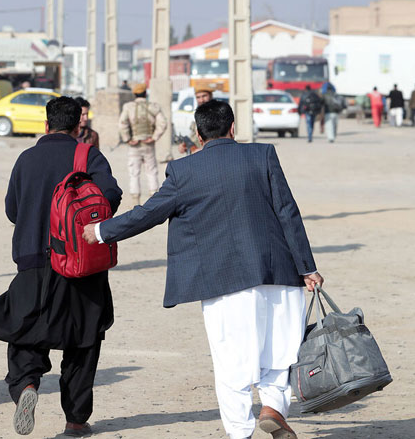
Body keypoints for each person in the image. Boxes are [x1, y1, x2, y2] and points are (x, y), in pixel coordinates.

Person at [82, 100, 323, 439]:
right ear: (233, 128)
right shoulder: (264, 154)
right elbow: (288, 212)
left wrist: (102, 231)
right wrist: (307, 267)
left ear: (197, 134)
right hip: (279, 273)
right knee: (279, 353)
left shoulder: (184, 171)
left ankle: (240, 432)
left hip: (224, 281)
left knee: (231, 361)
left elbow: (148, 214)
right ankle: (272, 408)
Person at [0, 96, 122, 437]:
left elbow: (13, 210)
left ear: (46, 125)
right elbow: (110, 197)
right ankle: (75, 419)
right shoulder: (88, 156)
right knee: (83, 340)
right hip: (80, 263)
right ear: (78, 127)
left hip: (32, 262)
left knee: (25, 332)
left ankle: (26, 385)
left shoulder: (26, 159)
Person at [118, 83, 168, 205]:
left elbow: (122, 123)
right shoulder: (153, 106)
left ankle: (136, 202)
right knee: (151, 171)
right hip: (148, 144)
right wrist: (154, 137)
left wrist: (127, 139)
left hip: (134, 144)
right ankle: (154, 201)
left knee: (134, 173)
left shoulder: (128, 107)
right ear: (146, 93)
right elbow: (163, 123)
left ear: (134, 94)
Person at [179, 87, 214, 154]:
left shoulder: (217, 114)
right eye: (198, 97)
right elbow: (194, 135)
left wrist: (202, 149)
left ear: (211, 96)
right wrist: (184, 145)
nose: (201, 100)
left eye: (204, 96)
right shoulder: (199, 113)